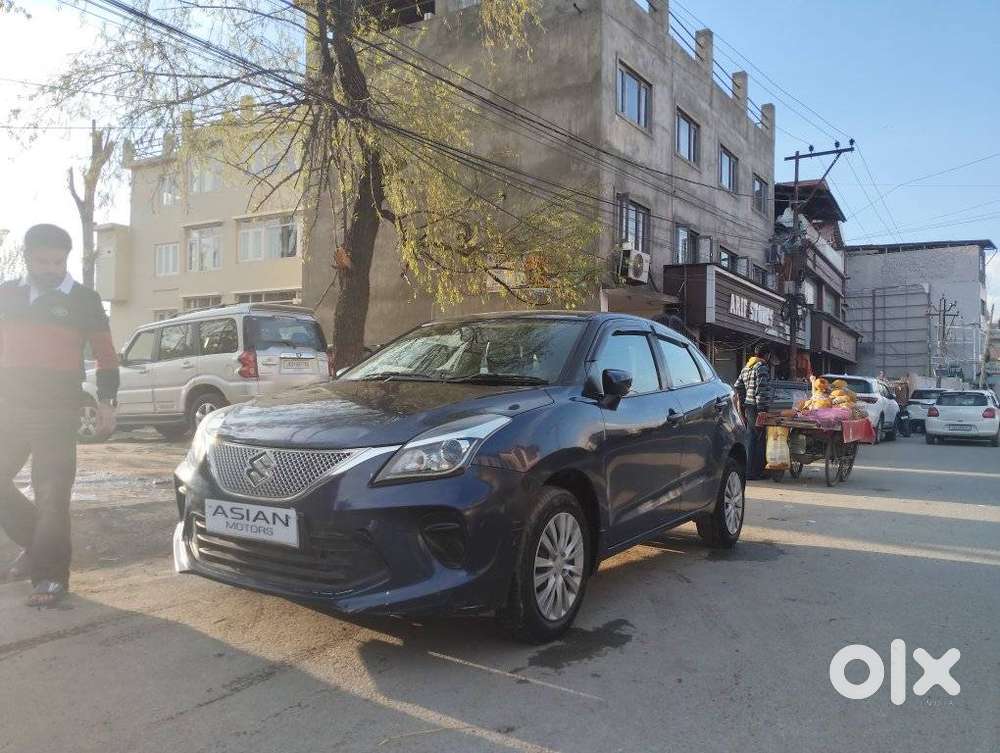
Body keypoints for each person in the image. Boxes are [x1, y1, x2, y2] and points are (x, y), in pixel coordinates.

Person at [0, 224, 119, 607]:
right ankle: (37, 545)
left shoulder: (83, 299)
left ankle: (50, 578)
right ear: (27, 256)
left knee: (51, 492)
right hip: (10, 405)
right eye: (43, 261)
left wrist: (107, 402)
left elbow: (105, 354)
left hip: (58, 409)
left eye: (58, 261)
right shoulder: (6, 295)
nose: (51, 268)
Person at [733, 343, 773, 480]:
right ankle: (757, 471)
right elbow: (761, 390)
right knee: (759, 439)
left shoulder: (747, 367)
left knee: (750, 437)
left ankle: (747, 470)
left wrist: (743, 404)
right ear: (767, 355)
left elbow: (738, 386)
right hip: (758, 407)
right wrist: (762, 410)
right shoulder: (761, 367)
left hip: (749, 406)